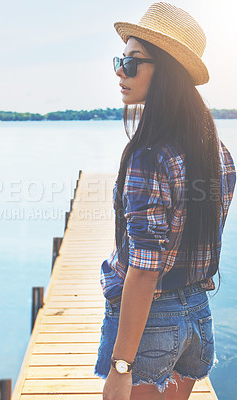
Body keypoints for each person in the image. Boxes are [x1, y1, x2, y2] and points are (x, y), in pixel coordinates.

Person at [94, 2, 236, 400]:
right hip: (197, 317)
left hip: (150, 327)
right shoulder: (218, 152)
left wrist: (122, 367)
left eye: (133, 62)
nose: (120, 70)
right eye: (121, 59)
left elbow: (144, 269)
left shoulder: (150, 155)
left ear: (167, 73)